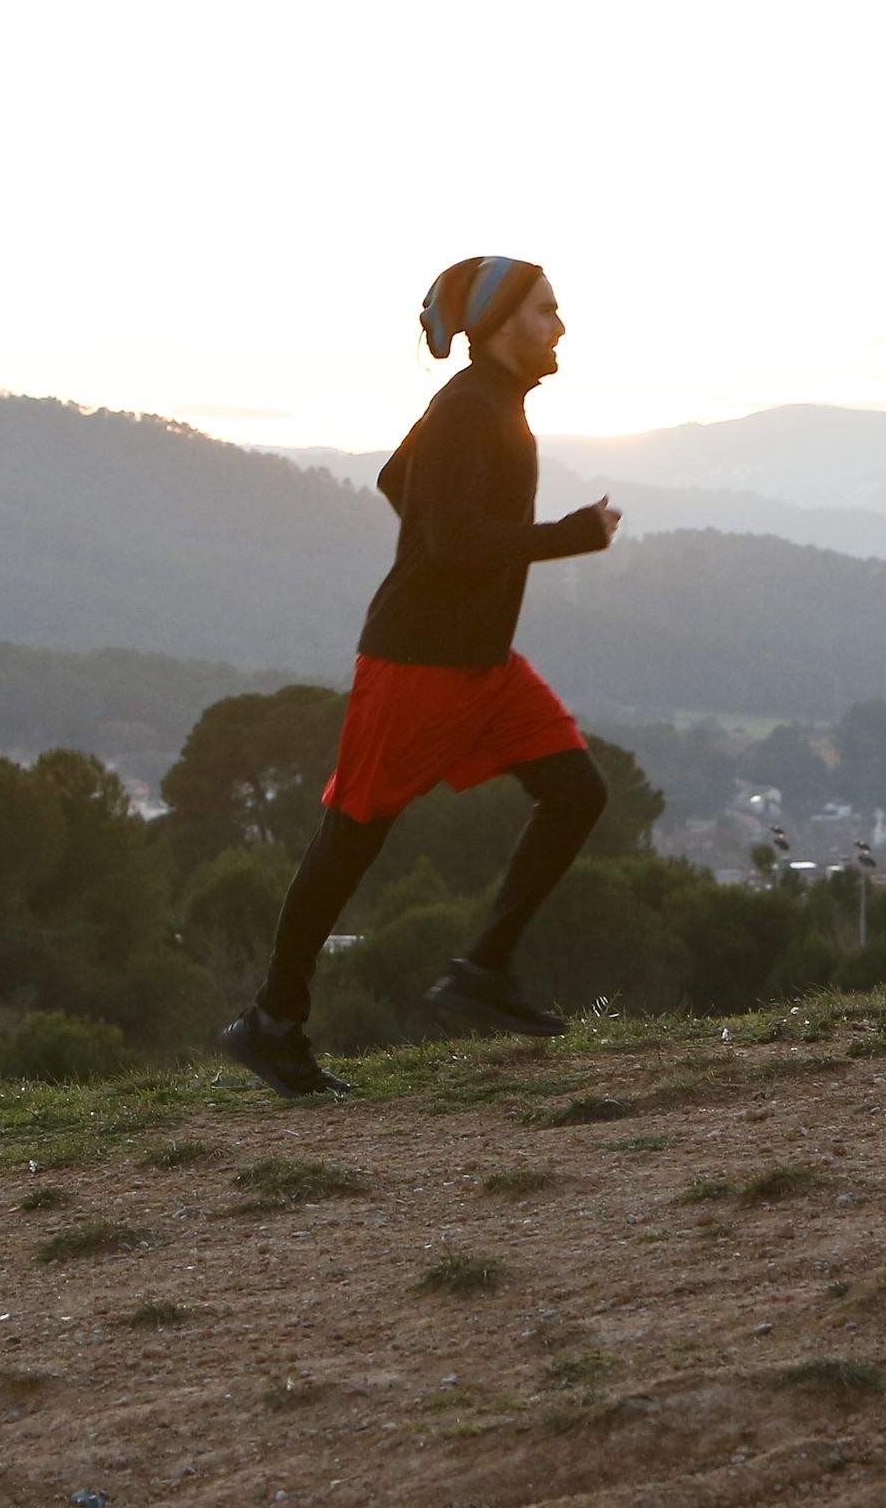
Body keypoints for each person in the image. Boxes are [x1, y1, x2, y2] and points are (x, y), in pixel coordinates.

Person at [219, 255, 624, 1098]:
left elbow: (396, 482)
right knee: (348, 842)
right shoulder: (467, 409)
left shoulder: (498, 406)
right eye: (546, 310)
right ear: (500, 324)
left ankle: (483, 969)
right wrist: (567, 535)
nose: (561, 326)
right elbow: (447, 541)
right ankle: (272, 1022)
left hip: (483, 666)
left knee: (578, 792)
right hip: (414, 665)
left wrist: (462, 551)